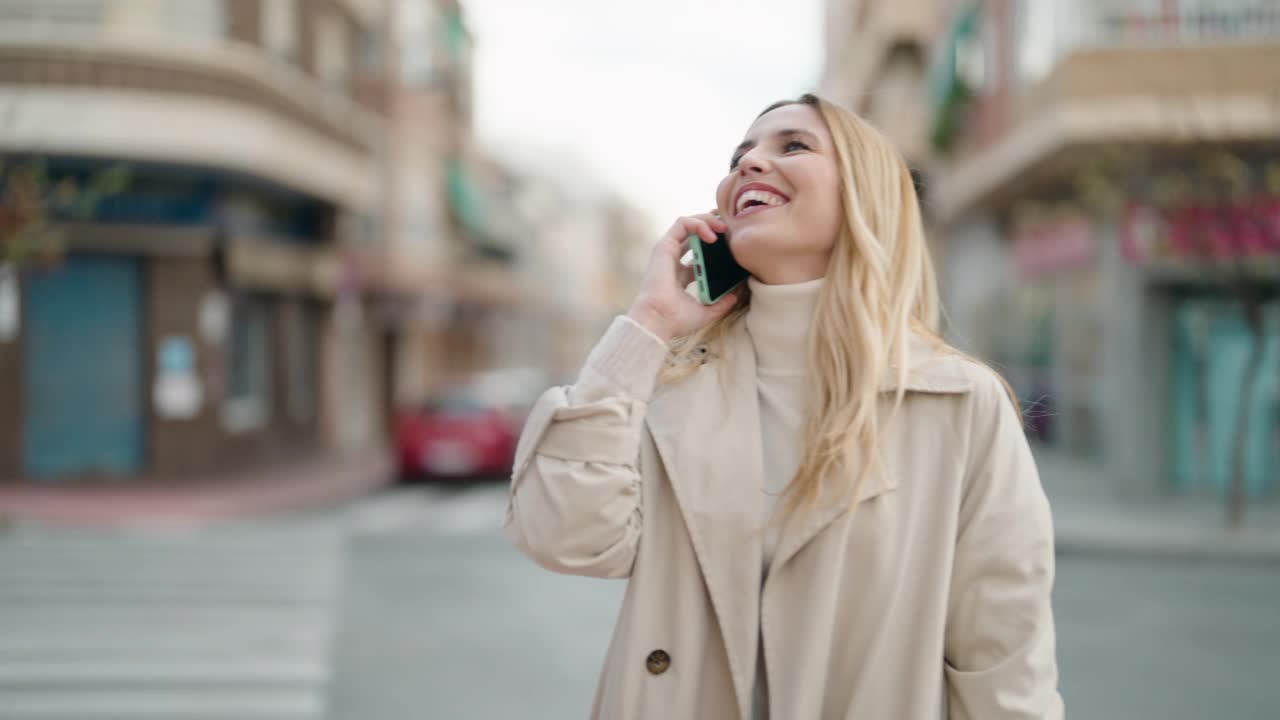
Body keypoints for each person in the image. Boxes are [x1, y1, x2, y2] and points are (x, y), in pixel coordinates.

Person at [503, 93, 1063, 720]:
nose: (749, 165)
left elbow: (1004, 660)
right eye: (740, 156)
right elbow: (563, 538)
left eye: (792, 146)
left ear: (864, 196)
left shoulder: (958, 404)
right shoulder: (664, 382)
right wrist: (649, 322)